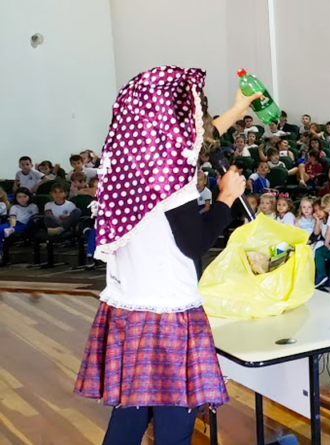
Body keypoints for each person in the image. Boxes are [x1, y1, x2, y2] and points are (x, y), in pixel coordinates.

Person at [73, 66, 258, 445]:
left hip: (129, 310)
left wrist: (238, 109)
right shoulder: (171, 183)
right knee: (175, 423)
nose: (198, 122)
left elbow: (198, 141)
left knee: (129, 419)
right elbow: (194, 243)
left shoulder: (126, 164)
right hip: (169, 314)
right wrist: (224, 199)